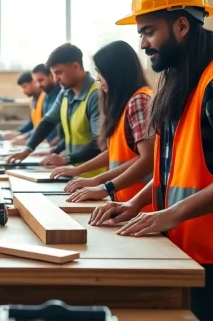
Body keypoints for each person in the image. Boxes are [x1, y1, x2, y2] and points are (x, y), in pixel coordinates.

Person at [90, 0, 213, 321]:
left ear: (182, 27)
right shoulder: (178, 80)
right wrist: (138, 205)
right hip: (184, 243)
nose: (142, 43)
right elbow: (172, 170)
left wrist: (169, 214)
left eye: (148, 31)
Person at [50, 41, 154, 212]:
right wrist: (79, 171)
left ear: (116, 73)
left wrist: (101, 184)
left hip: (140, 207)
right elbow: (115, 153)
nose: (98, 79)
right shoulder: (126, 102)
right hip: (123, 201)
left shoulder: (139, 100)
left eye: (101, 73)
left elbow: (148, 158)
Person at [6, 43, 105, 177]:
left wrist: (67, 159)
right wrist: (27, 149)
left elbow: (99, 141)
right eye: (53, 74)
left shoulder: (95, 95)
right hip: (72, 173)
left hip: (95, 175)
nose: (56, 79)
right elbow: (47, 122)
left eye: (59, 73)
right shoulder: (65, 93)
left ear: (75, 66)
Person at [3, 71, 42, 143]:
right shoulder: (34, 100)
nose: (23, 91)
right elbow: (32, 122)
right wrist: (18, 132)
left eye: (25, 87)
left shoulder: (45, 98)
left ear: (34, 82)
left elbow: (44, 126)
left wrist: (26, 137)